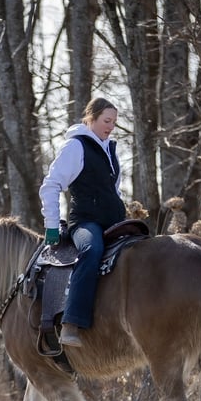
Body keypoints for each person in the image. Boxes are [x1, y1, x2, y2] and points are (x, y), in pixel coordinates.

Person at [39, 98, 126, 347]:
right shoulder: (75, 146)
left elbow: (113, 191)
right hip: (86, 222)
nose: (111, 127)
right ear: (91, 119)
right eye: (106, 121)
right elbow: (51, 185)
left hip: (115, 222)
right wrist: (52, 226)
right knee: (91, 249)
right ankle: (71, 323)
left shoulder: (110, 149)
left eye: (114, 122)